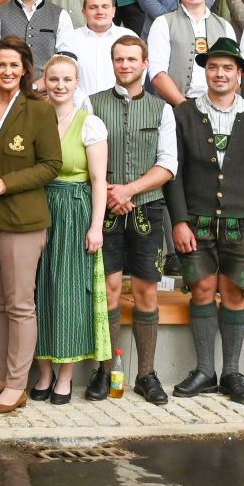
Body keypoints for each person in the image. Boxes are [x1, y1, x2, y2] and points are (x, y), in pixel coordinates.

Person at [166, 39, 244, 405]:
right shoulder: (184, 114)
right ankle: (204, 371)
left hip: (243, 223)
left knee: (233, 293)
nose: (220, 74)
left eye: (228, 68)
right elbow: (173, 173)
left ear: (239, 73)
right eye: (214, 67)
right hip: (195, 222)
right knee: (201, 290)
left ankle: (231, 372)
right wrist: (179, 221)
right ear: (205, 70)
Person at [0, 37, 63, 416]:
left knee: (20, 304)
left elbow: (51, 165)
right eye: (0, 65)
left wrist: (6, 183)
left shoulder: (39, 109)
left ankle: (16, 384)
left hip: (22, 217)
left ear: (25, 69)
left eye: (14, 65)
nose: (7, 71)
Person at [91, 35, 177, 403]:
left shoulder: (162, 109)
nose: (125, 65)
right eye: (119, 59)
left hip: (148, 208)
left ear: (145, 64)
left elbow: (168, 164)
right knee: (108, 288)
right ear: (112, 63)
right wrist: (112, 191)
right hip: (105, 208)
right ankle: (105, 371)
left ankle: (146, 374)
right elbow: (84, 156)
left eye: (131, 59)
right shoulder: (92, 104)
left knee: (146, 291)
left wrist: (129, 190)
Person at [30, 54, 111, 403]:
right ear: (44, 82)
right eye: (54, 79)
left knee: (68, 292)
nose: (60, 85)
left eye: (67, 79)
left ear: (77, 83)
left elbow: (98, 180)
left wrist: (96, 226)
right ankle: (44, 372)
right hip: (38, 207)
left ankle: (65, 374)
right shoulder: (36, 118)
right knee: (38, 290)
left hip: (75, 209)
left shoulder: (90, 123)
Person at [146, 0, 235, 105]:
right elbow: (157, 73)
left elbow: (234, 74)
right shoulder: (163, 23)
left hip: (218, 104)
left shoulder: (225, 26)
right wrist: (185, 108)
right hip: (176, 107)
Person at [59, 0, 136, 98]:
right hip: (80, 106)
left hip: (122, 104)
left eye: (105, 6)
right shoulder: (70, 40)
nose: (100, 12)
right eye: (93, 7)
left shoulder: (129, 37)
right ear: (84, 12)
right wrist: (85, 103)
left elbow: (139, 74)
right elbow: (64, 76)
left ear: (113, 11)